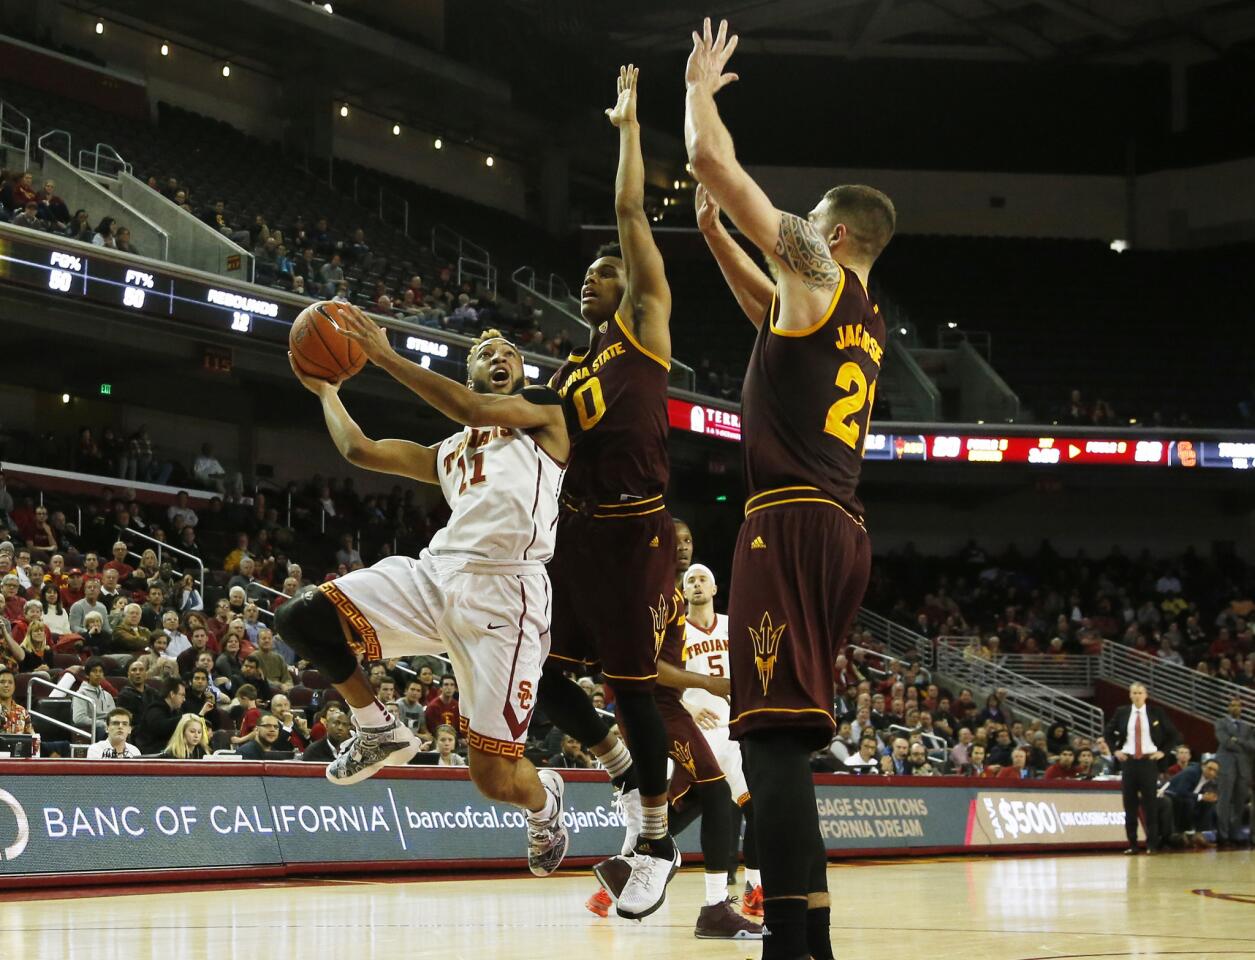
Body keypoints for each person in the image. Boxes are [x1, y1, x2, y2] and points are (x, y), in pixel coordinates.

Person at [685, 17, 896, 959]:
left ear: (834, 232)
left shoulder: (814, 264)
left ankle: (794, 949)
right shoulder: (856, 316)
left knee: (767, 749)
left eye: (806, 216)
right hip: (838, 527)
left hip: (790, 524)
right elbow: (767, 317)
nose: (796, 226)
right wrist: (716, 243)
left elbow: (715, 164)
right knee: (783, 744)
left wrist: (699, 95)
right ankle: (805, 940)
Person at [277, 307, 570, 880]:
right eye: (487, 354)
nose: (501, 358)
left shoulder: (543, 417)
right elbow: (361, 451)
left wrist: (384, 356)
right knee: (300, 617)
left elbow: (470, 408)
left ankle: (544, 804)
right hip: (437, 575)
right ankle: (377, 726)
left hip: (508, 595)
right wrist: (327, 390)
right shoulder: (450, 452)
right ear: (470, 371)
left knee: (492, 780)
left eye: (509, 352)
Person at [539, 64, 681, 920]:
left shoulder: (645, 320)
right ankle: (621, 770)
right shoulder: (570, 365)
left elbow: (629, 215)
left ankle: (658, 840)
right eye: (586, 277)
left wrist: (627, 128)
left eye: (602, 273)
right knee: (535, 678)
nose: (589, 281)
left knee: (631, 686)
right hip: (576, 534)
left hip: (633, 533)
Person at [1104, 682, 1180, 854]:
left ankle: (1152, 844)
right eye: (1134, 693)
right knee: (1129, 805)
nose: (1137, 695)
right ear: (1130, 695)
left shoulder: (1156, 713)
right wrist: (1115, 751)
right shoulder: (1122, 712)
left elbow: (1174, 734)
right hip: (1129, 762)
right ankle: (1132, 844)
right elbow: (1107, 732)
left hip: (1148, 762)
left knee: (1150, 805)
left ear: (1146, 695)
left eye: (1140, 692)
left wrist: (1162, 752)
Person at [1213, 696, 1254, 847]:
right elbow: (1225, 742)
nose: (1235, 708)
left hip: (1243, 768)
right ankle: (1222, 835)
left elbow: (1253, 745)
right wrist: (1242, 744)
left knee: (1239, 803)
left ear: (1241, 708)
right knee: (1224, 801)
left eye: (1238, 705)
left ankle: (1235, 834)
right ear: (1228, 708)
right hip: (1226, 766)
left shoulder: (1248, 726)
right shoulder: (1220, 723)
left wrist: (1238, 741)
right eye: (1232, 705)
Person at [1161, 757, 1221, 847]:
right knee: (1189, 802)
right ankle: (1185, 833)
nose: (1211, 772)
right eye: (1209, 768)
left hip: (1188, 796)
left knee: (1208, 803)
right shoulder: (1192, 773)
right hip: (1170, 794)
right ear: (1203, 767)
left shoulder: (1212, 780)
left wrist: (1210, 797)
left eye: (1214, 771)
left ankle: (1199, 834)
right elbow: (1180, 791)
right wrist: (1201, 796)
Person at [72, 658, 116, 740]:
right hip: (94, 730)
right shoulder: (81, 694)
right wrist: (102, 724)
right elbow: (79, 718)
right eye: (94, 671)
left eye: (100, 671)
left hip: (108, 728)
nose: (98, 674)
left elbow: (114, 716)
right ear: (87, 675)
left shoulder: (107, 695)